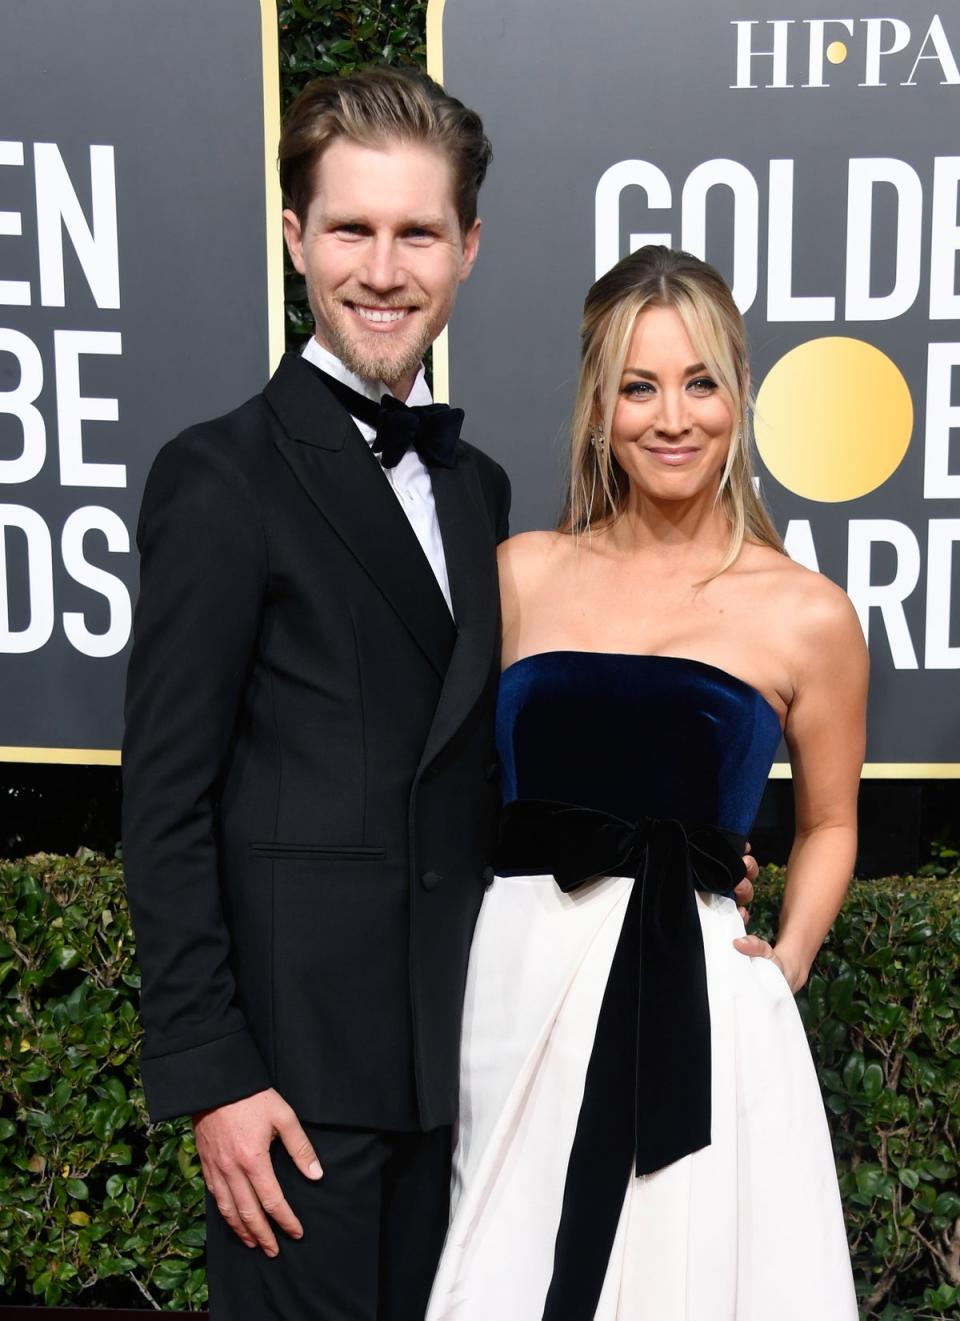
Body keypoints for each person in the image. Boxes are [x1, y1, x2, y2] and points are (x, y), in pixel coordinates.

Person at [122, 71, 757, 1317]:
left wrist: (672, 855)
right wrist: (214, 1074)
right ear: (295, 238)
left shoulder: (481, 494)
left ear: (468, 249)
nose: (383, 267)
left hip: (471, 1059)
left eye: (417, 233)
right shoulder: (219, 477)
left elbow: (487, 770)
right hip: (295, 1091)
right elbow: (164, 800)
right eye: (351, 229)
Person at [426, 246, 866, 1320]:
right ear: (598, 407)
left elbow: (831, 820)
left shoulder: (807, 612)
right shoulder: (521, 572)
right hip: (516, 983)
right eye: (639, 385)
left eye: (700, 382)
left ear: (738, 395)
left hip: (701, 996)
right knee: (506, 1260)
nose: (673, 417)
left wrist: (786, 961)